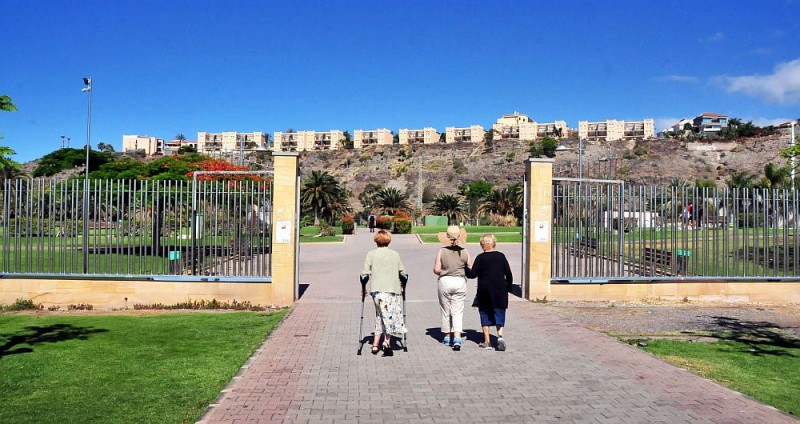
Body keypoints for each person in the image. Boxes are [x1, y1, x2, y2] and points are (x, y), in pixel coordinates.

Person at [361, 229, 407, 356]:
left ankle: (375, 345)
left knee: (380, 316)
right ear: (389, 240)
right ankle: (386, 343)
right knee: (389, 317)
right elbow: (403, 272)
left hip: (377, 291)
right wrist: (404, 285)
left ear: (376, 241)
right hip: (391, 290)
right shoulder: (395, 255)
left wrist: (363, 288)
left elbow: (364, 274)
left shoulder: (371, 254)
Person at [466, 233, 513, 351]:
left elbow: (472, 274)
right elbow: (508, 273)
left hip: (484, 290)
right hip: (500, 290)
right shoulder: (501, 256)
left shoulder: (480, 258)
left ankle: (487, 342)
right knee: (499, 311)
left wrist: (466, 268)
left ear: (482, 245)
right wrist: (509, 287)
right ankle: (500, 336)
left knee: (485, 313)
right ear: (494, 243)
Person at [433, 225, 471, 351]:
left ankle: (447, 336)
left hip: (445, 281)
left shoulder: (442, 251)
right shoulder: (464, 251)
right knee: (457, 310)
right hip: (460, 281)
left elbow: (436, 269)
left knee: (445, 310)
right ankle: (457, 337)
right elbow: (470, 267)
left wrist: (444, 271)